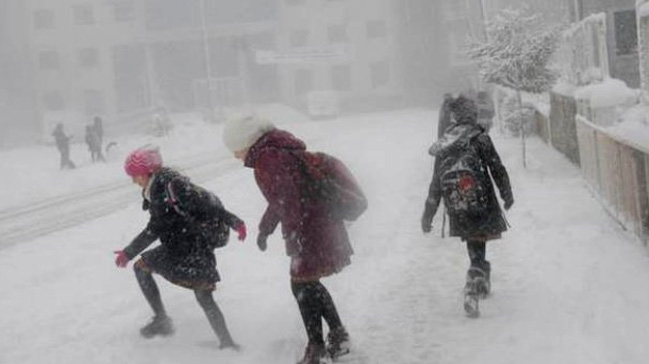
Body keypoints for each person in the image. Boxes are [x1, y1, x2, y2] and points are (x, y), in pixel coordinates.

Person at [222, 115, 354, 364]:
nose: (235, 155)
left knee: (302, 284)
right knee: (308, 283)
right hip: (317, 221)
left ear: (246, 141)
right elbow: (281, 199)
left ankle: (317, 348)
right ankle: (337, 335)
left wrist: (294, 236)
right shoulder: (276, 151)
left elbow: (287, 200)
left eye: (235, 148)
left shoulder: (268, 158)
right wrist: (265, 229)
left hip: (310, 226)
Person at [113, 147, 246, 349]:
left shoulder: (168, 187)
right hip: (183, 246)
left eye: (135, 175)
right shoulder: (161, 185)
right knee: (202, 295)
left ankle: (169, 323)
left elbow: (158, 227)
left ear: (149, 171)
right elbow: (162, 223)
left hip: (191, 248)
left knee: (202, 294)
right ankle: (221, 340)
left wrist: (234, 221)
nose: (133, 180)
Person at [421, 95, 514, 318]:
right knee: (478, 239)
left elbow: (436, 182)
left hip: (457, 203)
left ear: (454, 116)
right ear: (471, 114)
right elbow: (496, 168)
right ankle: (474, 284)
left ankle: (480, 276)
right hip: (481, 201)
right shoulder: (480, 138)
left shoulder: (445, 142)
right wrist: (506, 193)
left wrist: (428, 214)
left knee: (474, 240)